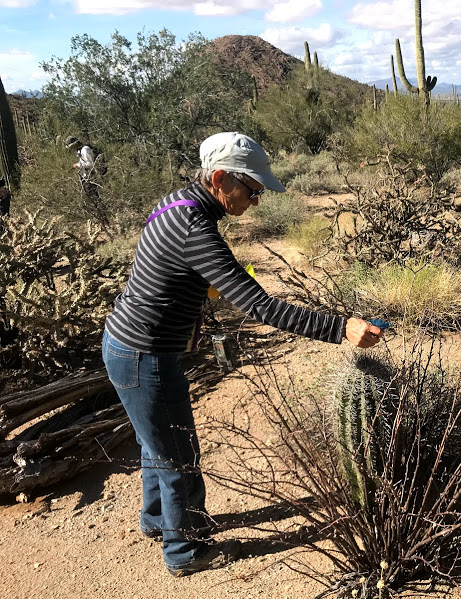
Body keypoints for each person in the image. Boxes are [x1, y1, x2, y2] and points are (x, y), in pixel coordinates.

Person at [101, 132, 384, 577]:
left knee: (155, 441)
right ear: (219, 179)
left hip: (127, 343)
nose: (255, 200)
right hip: (143, 354)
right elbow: (262, 307)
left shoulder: (177, 203)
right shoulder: (197, 230)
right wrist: (340, 327)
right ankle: (186, 551)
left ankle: (157, 521)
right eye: (251, 189)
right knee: (178, 452)